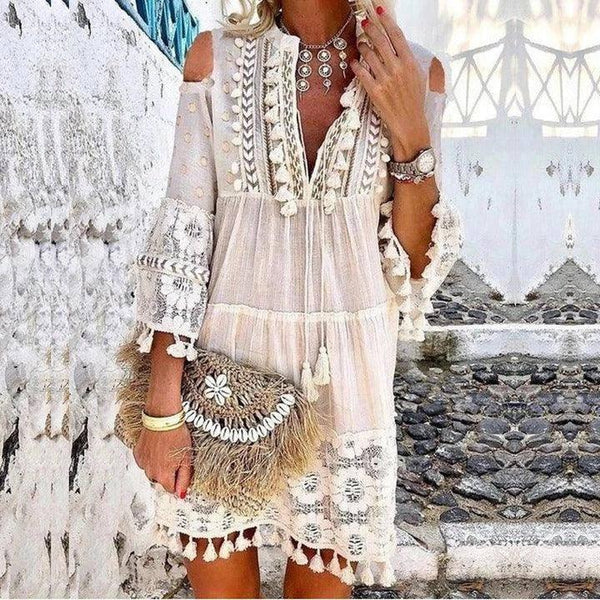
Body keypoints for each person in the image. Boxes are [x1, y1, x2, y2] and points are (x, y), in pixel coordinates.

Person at [124, 0, 461, 597]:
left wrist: (410, 130)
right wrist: (161, 408)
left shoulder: (414, 73)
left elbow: (412, 267)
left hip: (346, 398)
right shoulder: (215, 61)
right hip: (222, 392)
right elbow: (183, 241)